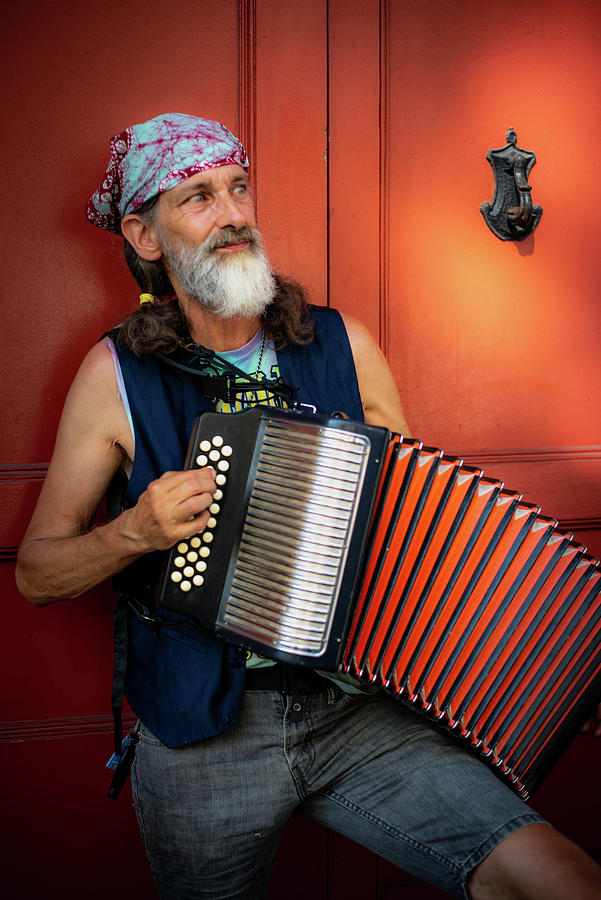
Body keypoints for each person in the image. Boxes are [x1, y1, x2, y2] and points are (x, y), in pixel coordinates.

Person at [16, 113, 601, 900]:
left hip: (357, 711)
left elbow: (424, 533)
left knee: (558, 879)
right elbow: (37, 573)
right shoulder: (113, 374)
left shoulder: (343, 345)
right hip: (202, 728)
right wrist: (132, 532)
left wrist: (547, 668)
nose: (232, 213)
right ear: (145, 236)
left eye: (238, 188)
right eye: (198, 198)